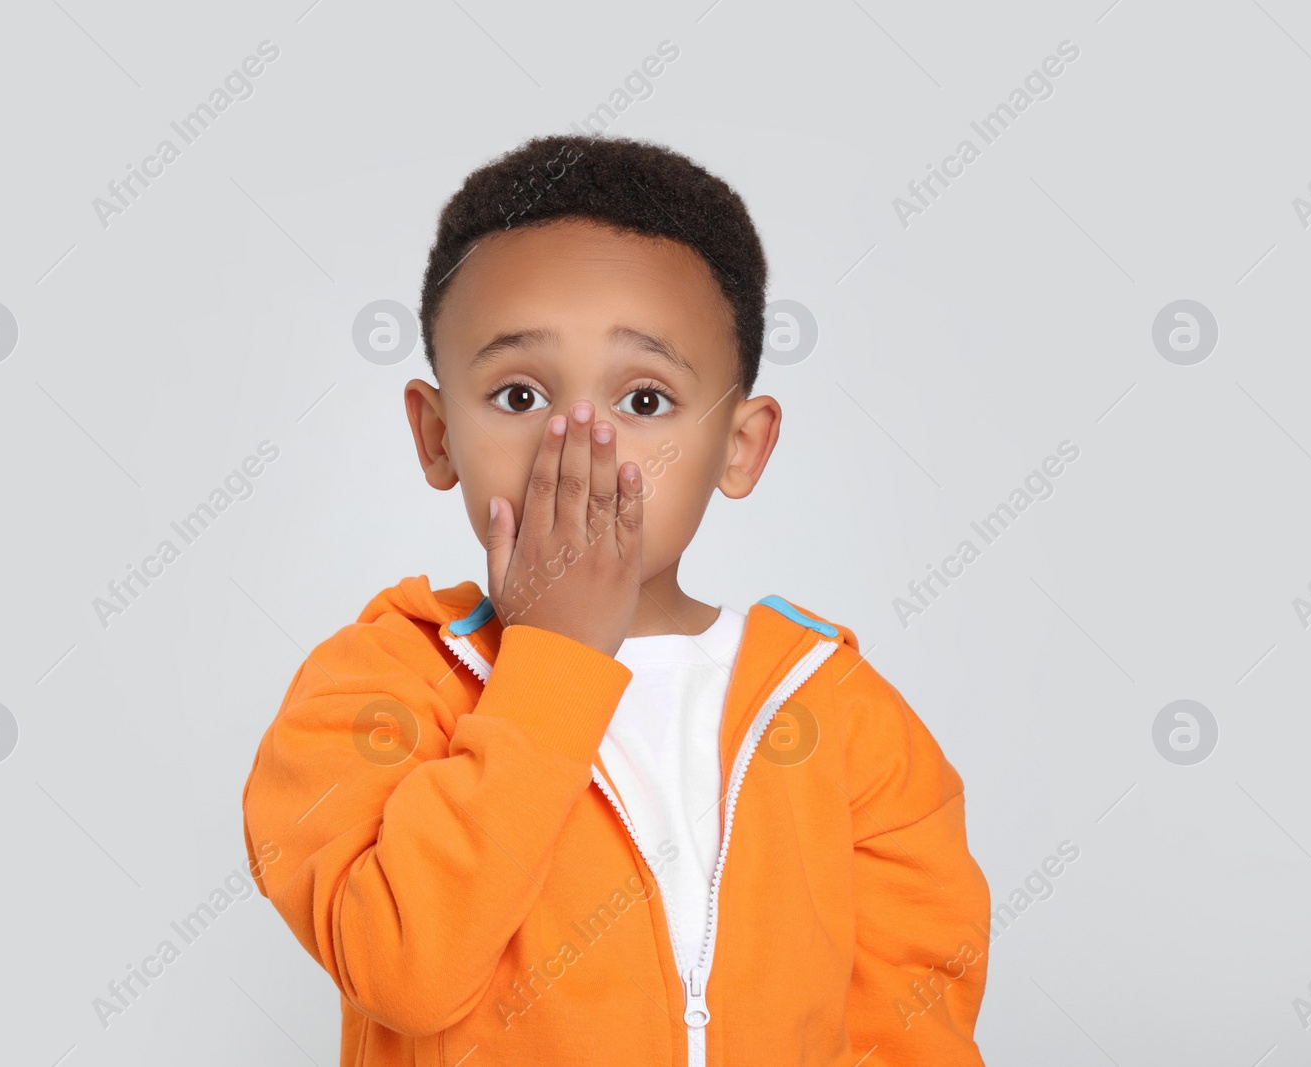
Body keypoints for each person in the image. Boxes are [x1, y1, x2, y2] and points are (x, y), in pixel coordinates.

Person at [241, 133, 991, 1065]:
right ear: (436, 436)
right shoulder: (377, 687)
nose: (578, 441)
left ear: (742, 447)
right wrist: (555, 660)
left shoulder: (838, 710)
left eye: (643, 402)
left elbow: (912, 1019)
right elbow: (406, 968)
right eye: (519, 394)